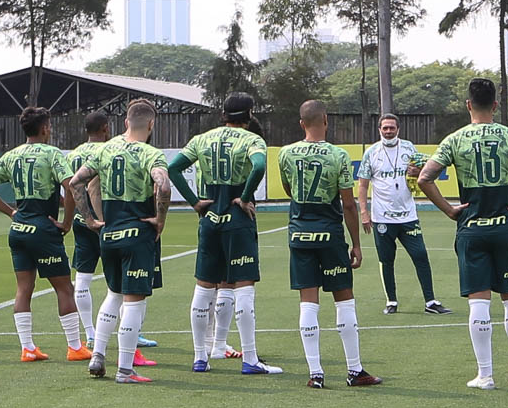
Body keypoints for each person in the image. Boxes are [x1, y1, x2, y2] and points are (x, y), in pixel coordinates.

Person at [418, 78, 508, 390]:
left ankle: (485, 375)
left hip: (471, 228)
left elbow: (425, 178)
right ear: (495, 105)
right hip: (505, 227)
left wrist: (450, 210)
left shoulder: (456, 139)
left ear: (468, 105)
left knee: (478, 304)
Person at [168, 92, 279, 375]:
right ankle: (250, 359)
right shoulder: (252, 140)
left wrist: (194, 202)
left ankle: (200, 357)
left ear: (223, 115)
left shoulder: (202, 139)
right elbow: (259, 166)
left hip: (210, 217)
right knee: (243, 287)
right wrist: (244, 197)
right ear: (249, 114)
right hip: (236, 219)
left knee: (203, 287)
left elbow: (174, 168)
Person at [278, 100, 381, 388]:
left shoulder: (286, 154)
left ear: (301, 123)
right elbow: (348, 204)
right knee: (344, 300)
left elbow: (290, 189)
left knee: (308, 304)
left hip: (299, 234)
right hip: (329, 235)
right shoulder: (338, 155)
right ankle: (354, 370)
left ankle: (316, 374)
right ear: (326, 120)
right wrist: (356, 244)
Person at [70, 99, 172, 383]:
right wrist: (160, 220)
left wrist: (90, 220)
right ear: (151, 125)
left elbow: (75, 183)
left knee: (113, 295)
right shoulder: (151, 153)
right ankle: (125, 369)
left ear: (126, 122)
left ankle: (97, 354)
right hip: (136, 235)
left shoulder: (104, 149)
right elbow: (163, 184)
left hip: (108, 235)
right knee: (133, 302)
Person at [0, 107, 88, 362]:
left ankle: (27, 348)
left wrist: (11, 213)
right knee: (64, 288)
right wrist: (67, 222)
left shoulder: (11, 155)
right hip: (43, 229)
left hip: (19, 230)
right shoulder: (52, 155)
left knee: (23, 288)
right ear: (45, 128)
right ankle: (74, 347)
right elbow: (71, 187)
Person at [358, 113, 450, 315]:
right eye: (385, 128)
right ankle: (391, 301)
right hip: (382, 217)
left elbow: (423, 172)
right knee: (386, 260)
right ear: (379, 129)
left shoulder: (409, 148)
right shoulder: (371, 153)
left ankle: (431, 301)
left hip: (408, 215)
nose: (388, 131)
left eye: (392, 128)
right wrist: (364, 212)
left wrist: (418, 172)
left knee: (420, 256)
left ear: (398, 129)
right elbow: (363, 185)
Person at [66, 112, 113, 348]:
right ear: (105, 128)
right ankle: (127, 328)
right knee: (118, 279)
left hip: (79, 219)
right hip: (104, 221)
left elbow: (69, 188)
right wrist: (100, 218)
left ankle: (90, 332)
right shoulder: (108, 151)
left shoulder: (73, 154)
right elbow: (95, 187)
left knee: (82, 277)